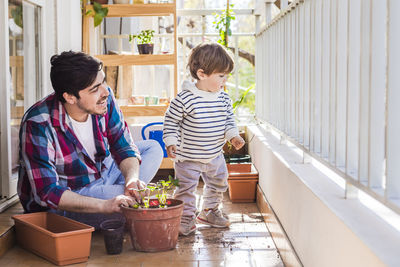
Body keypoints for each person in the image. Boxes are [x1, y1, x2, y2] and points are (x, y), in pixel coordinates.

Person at [18, 51, 163, 228]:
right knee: (136, 203)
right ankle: (118, 204)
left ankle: (121, 199)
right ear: (70, 97)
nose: (105, 92)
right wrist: (105, 205)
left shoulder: (103, 99)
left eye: (103, 82)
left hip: (102, 172)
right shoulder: (38, 123)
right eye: (94, 89)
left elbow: (122, 144)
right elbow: (47, 193)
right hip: (71, 196)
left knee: (153, 148)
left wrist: (131, 180)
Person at [163, 43, 245, 236]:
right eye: (221, 76)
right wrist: (170, 141)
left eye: (226, 76)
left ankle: (208, 211)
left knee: (219, 184)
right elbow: (170, 121)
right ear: (202, 74)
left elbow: (228, 120)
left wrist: (233, 135)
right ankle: (185, 218)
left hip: (214, 155)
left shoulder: (223, 98)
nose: (225, 80)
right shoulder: (185, 98)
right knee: (186, 189)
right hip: (188, 157)